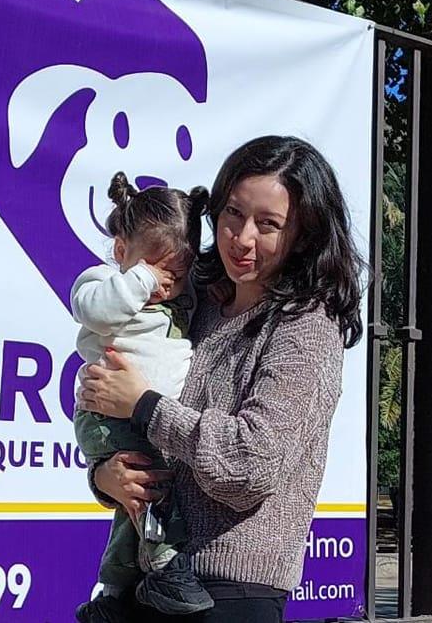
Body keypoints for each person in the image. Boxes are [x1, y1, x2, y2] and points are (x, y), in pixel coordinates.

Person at [80, 136, 365, 622]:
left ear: (304, 234)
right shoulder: (198, 301)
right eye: (233, 213)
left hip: (233, 592)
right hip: (150, 582)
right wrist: (107, 478)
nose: (242, 237)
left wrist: (144, 405)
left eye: (268, 224)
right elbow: (148, 439)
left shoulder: (307, 326)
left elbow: (251, 467)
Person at [71, 172, 213, 623]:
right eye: (153, 268)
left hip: (148, 421)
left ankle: (112, 593)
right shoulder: (103, 282)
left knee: (132, 509)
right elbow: (92, 310)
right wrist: (139, 281)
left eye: (176, 272)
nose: (164, 284)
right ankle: (168, 567)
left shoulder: (182, 297)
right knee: (148, 492)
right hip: (107, 416)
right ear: (121, 251)